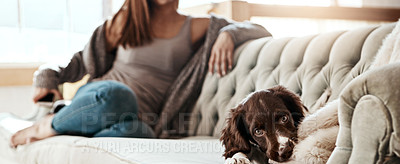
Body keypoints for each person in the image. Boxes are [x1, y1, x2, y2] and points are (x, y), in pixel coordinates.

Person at [10, 0, 270, 147]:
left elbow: (259, 30)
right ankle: (50, 125)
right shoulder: (127, 20)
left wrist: (228, 33)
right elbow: (78, 62)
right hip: (101, 97)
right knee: (118, 94)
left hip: (133, 118)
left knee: (139, 132)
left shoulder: (195, 27)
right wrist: (46, 76)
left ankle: (70, 133)